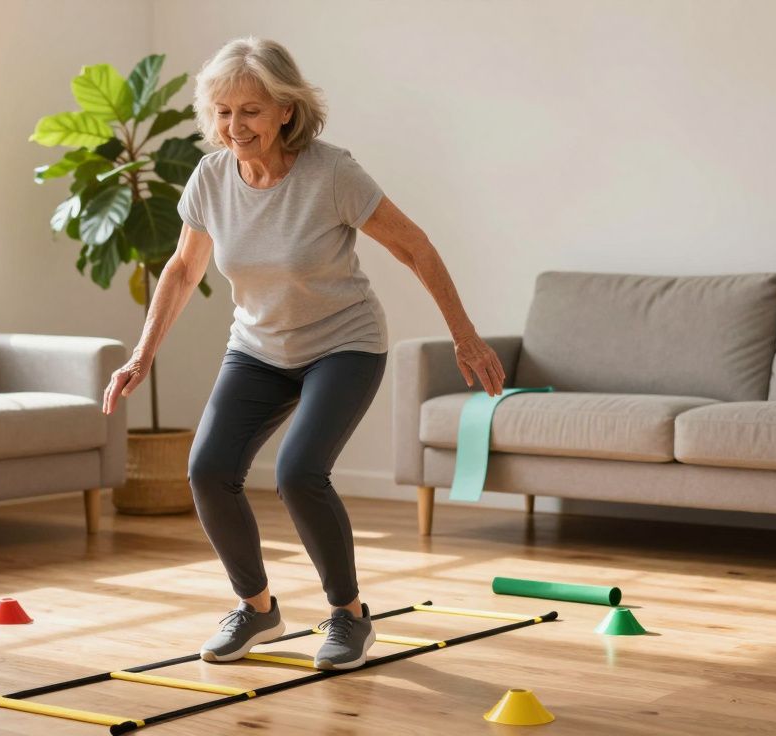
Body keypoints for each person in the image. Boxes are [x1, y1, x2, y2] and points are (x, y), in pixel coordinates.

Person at [102, 37, 505, 671]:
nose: (236, 127)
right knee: (208, 469)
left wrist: (465, 334)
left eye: (252, 111)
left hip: (343, 344)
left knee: (298, 472)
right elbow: (182, 269)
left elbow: (415, 247)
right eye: (224, 112)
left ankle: (350, 616)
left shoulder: (331, 172)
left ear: (286, 110)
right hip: (257, 347)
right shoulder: (212, 177)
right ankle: (257, 608)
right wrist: (141, 355)